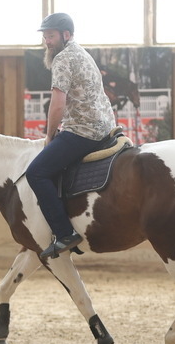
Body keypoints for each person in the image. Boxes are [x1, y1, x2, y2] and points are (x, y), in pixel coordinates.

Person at [26, 13, 117, 261]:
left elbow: (57, 104)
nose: (47, 42)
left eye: (51, 36)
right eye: (45, 37)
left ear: (66, 35)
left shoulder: (63, 59)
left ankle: (65, 233)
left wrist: (49, 136)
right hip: (105, 126)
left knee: (36, 172)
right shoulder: (81, 53)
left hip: (83, 130)